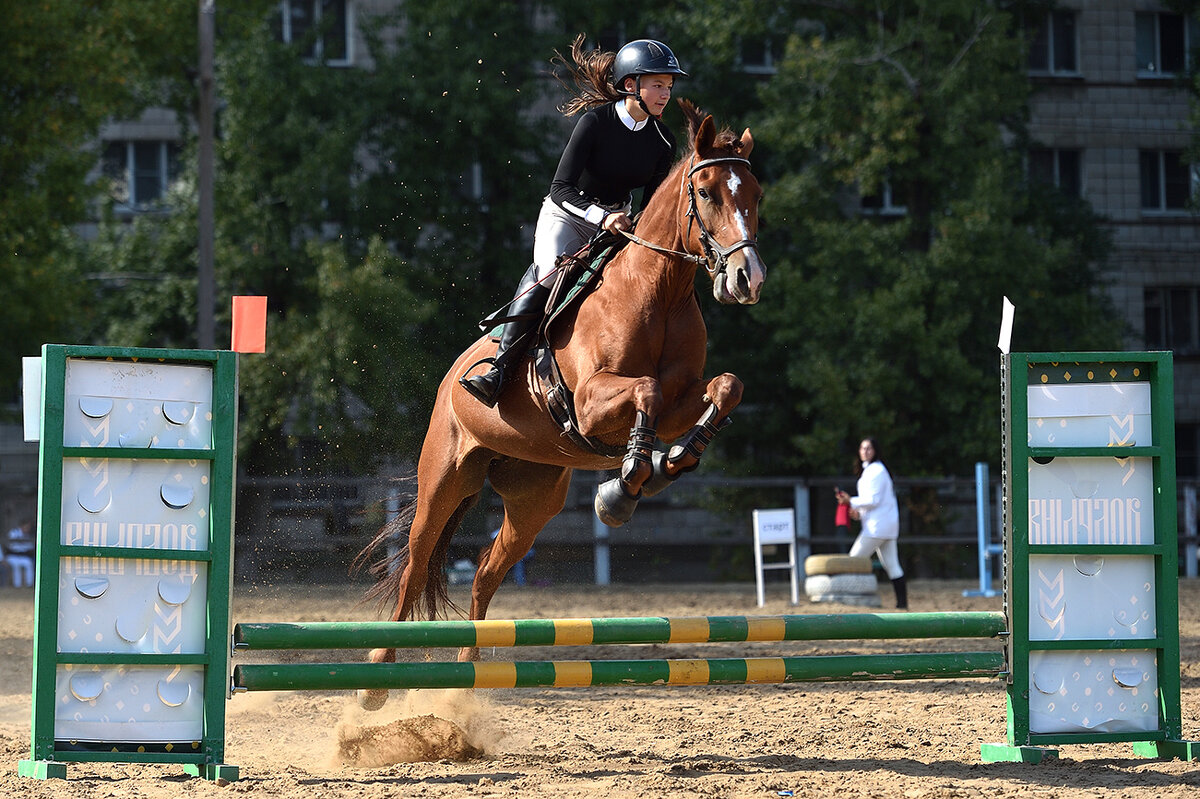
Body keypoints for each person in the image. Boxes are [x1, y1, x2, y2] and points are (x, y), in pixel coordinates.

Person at [459, 35, 686, 406]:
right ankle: (498, 371)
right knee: (550, 275)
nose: (666, 94)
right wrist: (603, 216)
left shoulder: (663, 140)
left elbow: (651, 206)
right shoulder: (595, 123)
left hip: (618, 223)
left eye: (669, 86)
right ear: (631, 85)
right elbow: (561, 188)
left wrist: (633, 225)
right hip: (568, 215)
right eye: (658, 85)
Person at [836, 438, 906, 609]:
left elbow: (873, 500)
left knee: (854, 560)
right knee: (892, 565)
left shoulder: (876, 471)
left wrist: (850, 501)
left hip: (877, 527)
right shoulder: (872, 470)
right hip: (883, 525)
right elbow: (873, 503)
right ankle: (902, 604)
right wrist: (857, 513)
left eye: (869, 448)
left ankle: (850, 600)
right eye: (862, 448)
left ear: (875, 451)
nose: (865, 451)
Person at [4, 520, 35, 589]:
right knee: (16, 565)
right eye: (26, 527)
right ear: (22, 526)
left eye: (28, 527)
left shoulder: (27, 535)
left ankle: (29, 584)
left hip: (22, 556)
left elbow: (30, 546)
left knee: (29, 563)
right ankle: (17, 586)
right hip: (12, 556)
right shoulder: (13, 533)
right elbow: (9, 545)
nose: (27, 529)